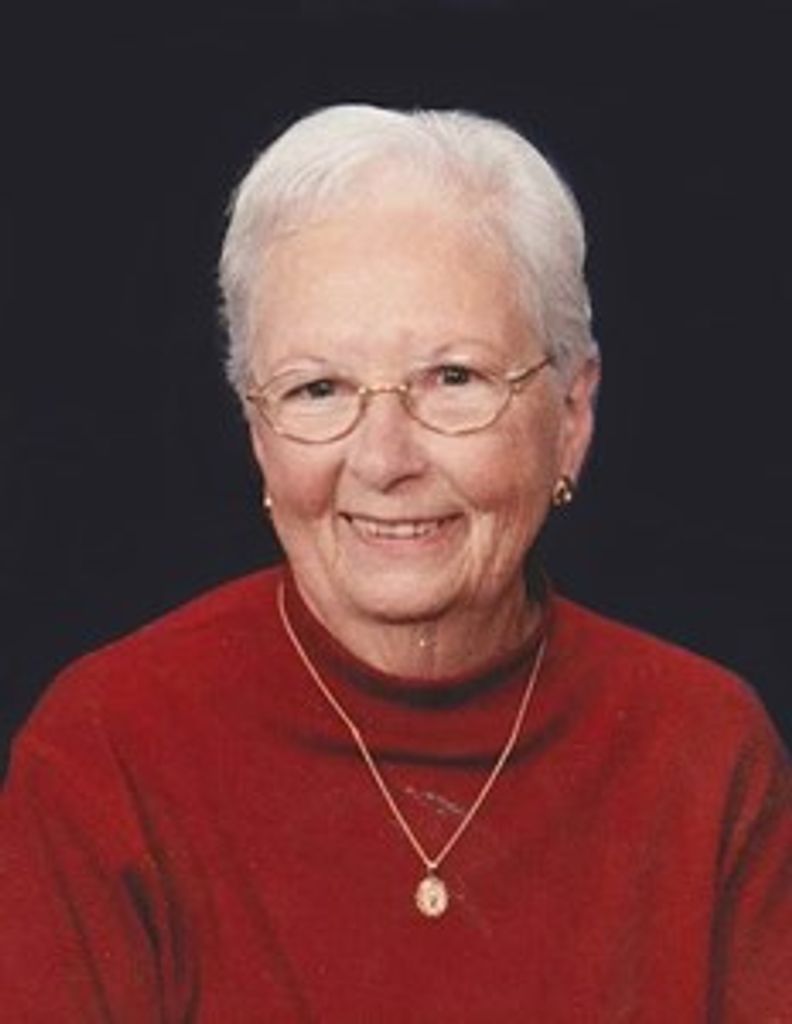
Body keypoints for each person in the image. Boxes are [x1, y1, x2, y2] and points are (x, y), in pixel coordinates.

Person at [1, 104, 789, 1022]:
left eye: (453, 378)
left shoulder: (706, 750)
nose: (383, 460)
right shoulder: (105, 751)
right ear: (258, 432)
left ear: (572, 416)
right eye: (318, 388)